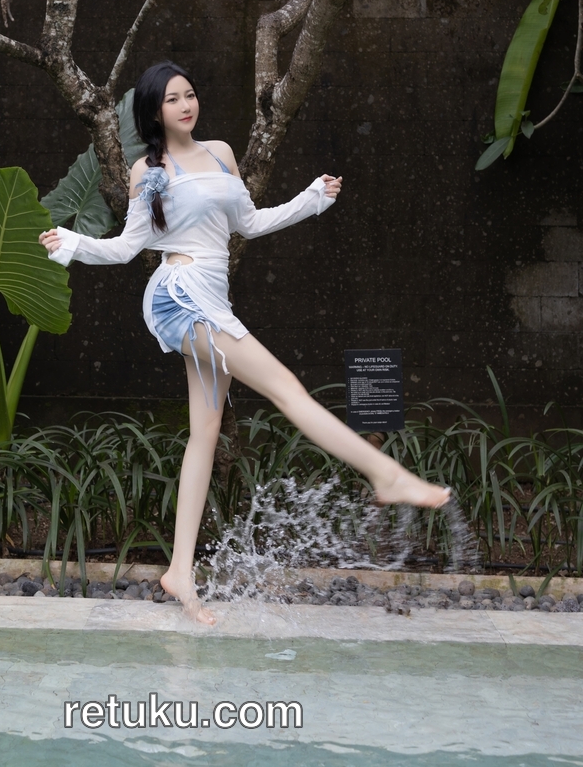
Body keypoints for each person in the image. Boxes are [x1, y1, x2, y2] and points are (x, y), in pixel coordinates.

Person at [40, 61, 450, 624]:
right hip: (179, 296)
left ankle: (179, 571)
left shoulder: (221, 154)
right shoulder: (147, 171)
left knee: (205, 433)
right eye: (172, 99)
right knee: (286, 387)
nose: (186, 105)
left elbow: (250, 223)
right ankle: (385, 475)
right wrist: (72, 244)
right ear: (154, 112)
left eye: (190, 94)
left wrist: (311, 199)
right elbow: (127, 247)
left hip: (213, 299)